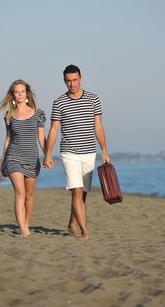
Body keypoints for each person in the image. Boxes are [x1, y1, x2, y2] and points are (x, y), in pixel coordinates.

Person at [43, 64, 110, 240]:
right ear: (64, 81)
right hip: (69, 153)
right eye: (68, 81)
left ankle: (72, 222)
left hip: (89, 152)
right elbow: (53, 130)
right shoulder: (59, 102)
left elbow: (98, 126)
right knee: (77, 192)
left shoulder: (93, 99)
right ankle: (84, 231)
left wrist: (104, 151)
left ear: (80, 78)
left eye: (74, 80)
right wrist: (48, 154)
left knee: (83, 194)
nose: (71, 84)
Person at [0, 79, 46, 237]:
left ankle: (26, 224)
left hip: (32, 159)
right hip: (13, 157)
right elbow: (8, 139)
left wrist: (48, 155)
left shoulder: (38, 114)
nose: (19, 94)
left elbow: (41, 138)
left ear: (27, 93)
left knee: (29, 195)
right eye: (16, 91)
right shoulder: (9, 115)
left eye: (22, 91)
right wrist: (3, 161)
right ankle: (23, 230)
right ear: (12, 94)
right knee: (20, 192)